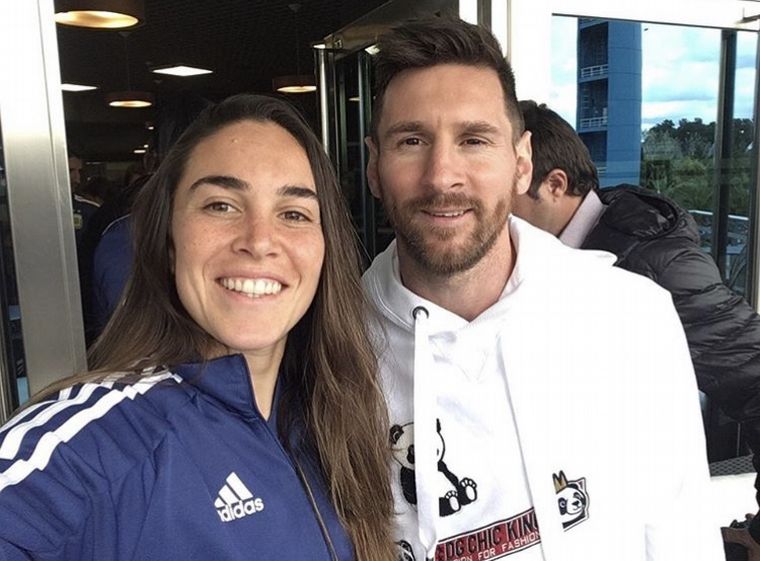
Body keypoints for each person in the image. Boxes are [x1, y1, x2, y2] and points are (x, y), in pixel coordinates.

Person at [361, 17, 722, 561]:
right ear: (374, 165)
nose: (442, 177)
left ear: (522, 161)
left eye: (474, 140)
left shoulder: (630, 317)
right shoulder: (333, 351)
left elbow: (682, 536)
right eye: (411, 141)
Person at [0, 94, 394, 561]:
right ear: (170, 242)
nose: (260, 241)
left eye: (294, 214)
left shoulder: (331, 416)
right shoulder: (100, 439)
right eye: (221, 205)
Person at [513, 99, 760, 558]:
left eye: (505, 194)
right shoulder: (561, 258)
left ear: (554, 184)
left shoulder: (650, 264)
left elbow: (753, 375)